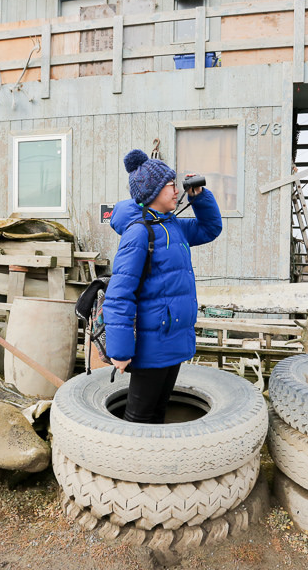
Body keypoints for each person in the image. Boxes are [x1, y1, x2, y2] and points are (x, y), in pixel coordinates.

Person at [104, 148, 222, 424]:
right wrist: (119, 351)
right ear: (153, 191)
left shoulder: (172, 226)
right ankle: (128, 465)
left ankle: (153, 463)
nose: (175, 190)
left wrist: (200, 199)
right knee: (139, 416)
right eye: (170, 185)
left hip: (173, 338)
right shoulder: (138, 233)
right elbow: (119, 294)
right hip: (151, 343)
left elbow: (209, 229)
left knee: (159, 410)